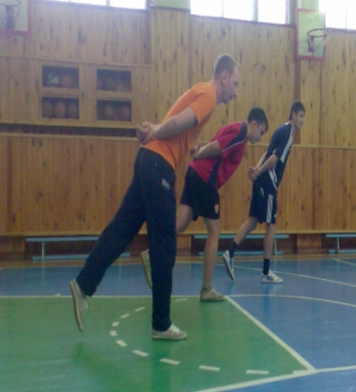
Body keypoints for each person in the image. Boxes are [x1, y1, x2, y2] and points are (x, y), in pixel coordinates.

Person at [69, 54, 240, 340]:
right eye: (235, 83)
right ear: (223, 76)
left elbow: (181, 127)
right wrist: (156, 131)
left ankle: (83, 285)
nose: (235, 92)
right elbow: (178, 121)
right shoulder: (209, 95)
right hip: (158, 164)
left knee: (122, 229)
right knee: (165, 242)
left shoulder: (201, 91)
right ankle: (161, 324)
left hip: (148, 161)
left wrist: (181, 143)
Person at [140, 106, 269, 301]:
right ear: (254, 124)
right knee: (214, 232)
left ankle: (151, 253)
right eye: (261, 132)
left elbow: (216, 146)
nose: (260, 138)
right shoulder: (241, 132)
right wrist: (199, 154)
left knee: (180, 223)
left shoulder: (237, 132)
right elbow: (217, 147)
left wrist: (199, 153)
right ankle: (206, 289)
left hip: (195, 173)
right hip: (205, 179)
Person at [222, 100, 306, 284]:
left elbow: (265, 154)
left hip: (262, 179)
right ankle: (266, 272)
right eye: (300, 116)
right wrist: (259, 171)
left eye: (303, 117)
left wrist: (256, 170)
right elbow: (274, 158)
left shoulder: (280, 129)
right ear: (293, 114)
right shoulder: (288, 135)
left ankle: (230, 253)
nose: (302, 120)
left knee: (253, 221)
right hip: (269, 183)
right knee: (271, 225)